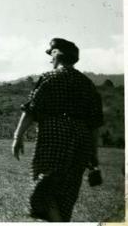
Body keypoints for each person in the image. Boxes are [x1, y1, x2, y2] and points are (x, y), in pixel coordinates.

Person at [12, 38, 103, 222]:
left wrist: (17, 137)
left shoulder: (49, 78)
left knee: (43, 191)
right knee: (66, 195)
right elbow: (94, 125)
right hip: (81, 142)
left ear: (57, 54)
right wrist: (93, 157)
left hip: (55, 138)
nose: (50, 59)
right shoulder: (88, 84)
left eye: (51, 54)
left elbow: (31, 110)